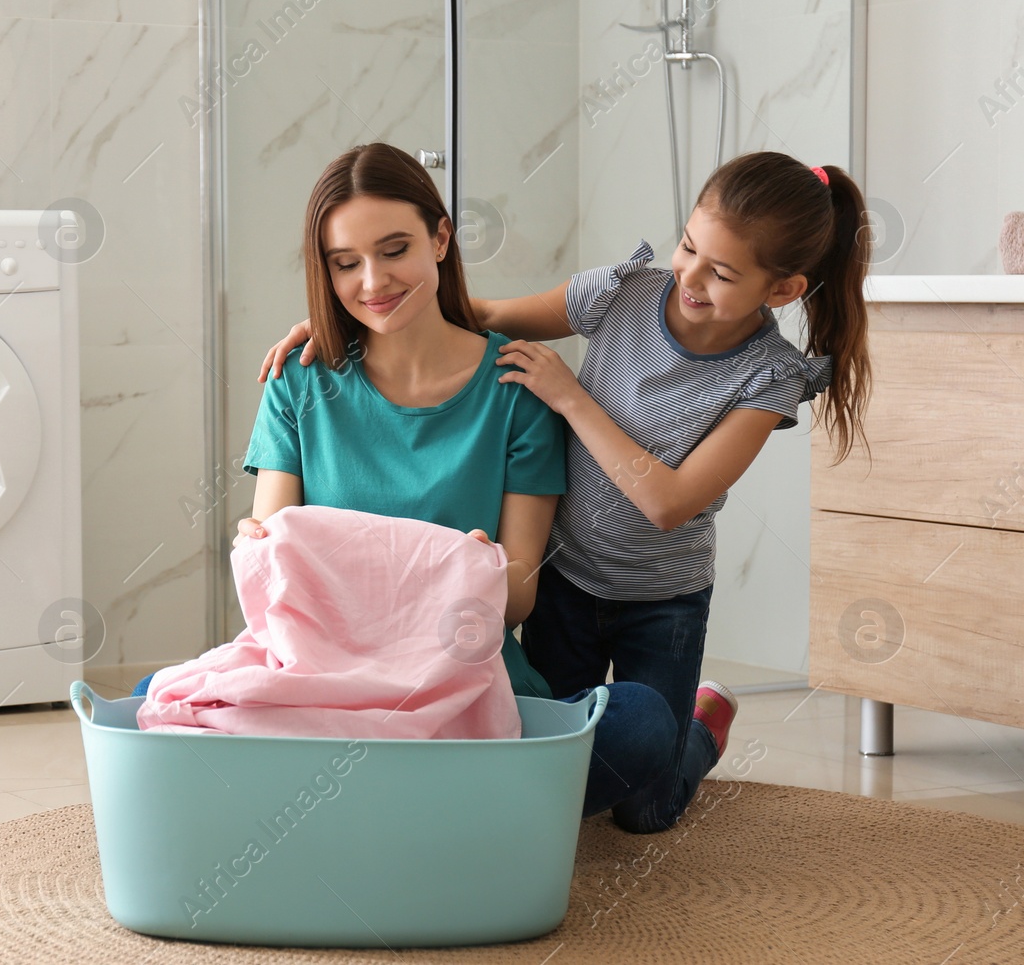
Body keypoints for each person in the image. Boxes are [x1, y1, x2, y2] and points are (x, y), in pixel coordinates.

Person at [260, 150, 872, 832]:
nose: (690, 277)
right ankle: (468, 802)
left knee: (647, 805)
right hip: (565, 581)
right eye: (688, 247)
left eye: (721, 272)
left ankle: (696, 730)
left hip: (660, 597)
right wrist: (339, 319)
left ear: (782, 289)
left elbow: (670, 503)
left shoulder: (768, 377)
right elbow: (476, 311)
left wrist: (570, 398)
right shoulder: (623, 293)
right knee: (556, 753)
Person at [136, 142, 676, 824]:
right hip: (322, 685)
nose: (373, 281)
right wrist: (271, 551)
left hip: (464, 687)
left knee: (641, 721)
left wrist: (467, 579)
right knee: (154, 698)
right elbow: (274, 582)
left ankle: (358, 810)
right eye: (345, 263)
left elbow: (514, 596)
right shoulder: (298, 383)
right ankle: (444, 815)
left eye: (395, 249)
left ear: (441, 237)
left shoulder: (518, 392)